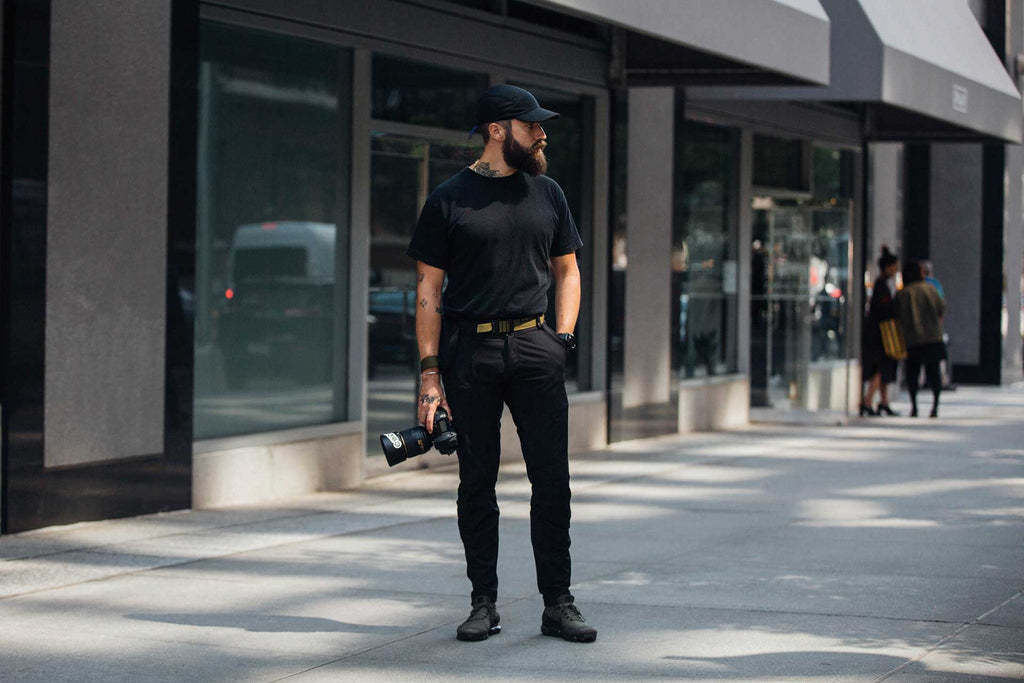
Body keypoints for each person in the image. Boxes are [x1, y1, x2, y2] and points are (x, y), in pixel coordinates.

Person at [407, 84, 596, 643]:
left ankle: (557, 602)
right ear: (497, 130)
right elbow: (427, 289)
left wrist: (560, 338)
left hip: (536, 347)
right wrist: (430, 375)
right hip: (471, 352)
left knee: (552, 481)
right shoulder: (448, 199)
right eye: (531, 124)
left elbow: (568, 271)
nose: (542, 132)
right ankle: (482, 602)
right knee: (476, 483)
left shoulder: (549, 193)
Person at [894, 260, 946, 417]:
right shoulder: (930, 289)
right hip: (933, 337)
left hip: (913, 339)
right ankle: (935, 405)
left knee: (912, 373)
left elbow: (898, 315)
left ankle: (914, 406)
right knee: (934, 372)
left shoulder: (903, 293)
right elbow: (941, 308)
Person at [860, 247, 900, 416]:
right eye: (894, 267)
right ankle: (868, 401)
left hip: (879, 333)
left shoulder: (883, 284)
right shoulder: (881, 286)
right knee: (880, 368)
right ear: (887, 267)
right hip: (880, 334)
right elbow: (884, 311)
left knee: (884, 367)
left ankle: (883, 401)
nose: (896, 270)